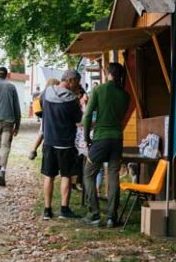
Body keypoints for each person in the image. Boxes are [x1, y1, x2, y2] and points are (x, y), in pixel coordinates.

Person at [82, 63, 131, 227]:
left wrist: (86, 136)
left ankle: (94, 214)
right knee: (113, 176)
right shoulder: (125, 96)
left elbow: (87, 115)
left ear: (107, 73)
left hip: (101, 138)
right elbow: (121, 118)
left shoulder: (98, 90)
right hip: (117, 139)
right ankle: (112, 217)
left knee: (88, 173)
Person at [39, 70, 83, 219]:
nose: (78, 86)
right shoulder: (72, 100)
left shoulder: (46, 93)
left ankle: (47, 210)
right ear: (70, 80)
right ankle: (64, 209)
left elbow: (41, 110)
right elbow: (78, 119)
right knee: (66, 175)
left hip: (49, 140)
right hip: (66, 143)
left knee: (49, 176)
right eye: (77, 82)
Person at [29, 77, 59, 160]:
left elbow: (38, 109)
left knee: (41, 132)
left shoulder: (41, 95)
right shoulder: (54, 95)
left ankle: (33, 149)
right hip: (51, 117)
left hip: (44, 117)